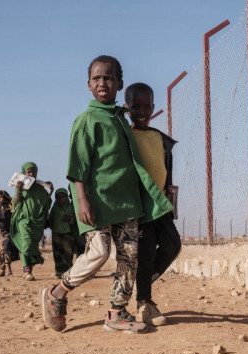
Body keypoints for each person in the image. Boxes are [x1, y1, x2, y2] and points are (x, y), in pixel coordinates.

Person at [40, 55, 173, 334]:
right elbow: (78, 165)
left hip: (126, 203)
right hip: (97, 202)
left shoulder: (121, 120)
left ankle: (116, 312)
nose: (103, 82)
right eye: (97, 78)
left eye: (109, 78)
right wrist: (82, 198)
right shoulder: (88, 119)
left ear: (119, 83)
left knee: (129, 257)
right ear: (89, 84)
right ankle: (57, 292)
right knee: (98, 252)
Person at [125, 82, 181, 326]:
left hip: (160, 204)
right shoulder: (125, 137)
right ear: (126, 108)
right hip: (141, 206)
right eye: (136, 106)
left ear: (154, 108)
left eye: (147, 106)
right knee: (146, 251)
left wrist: (171, 201)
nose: (142, 111)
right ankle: (145, 302)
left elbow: (166, 172)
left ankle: (142, 280)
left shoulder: (159, 138)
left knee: (172, 245)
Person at [11, 162, 53, 281]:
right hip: (24, 220)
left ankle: (29, 271)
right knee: (26, 242)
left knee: (32, 245)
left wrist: (51, 191)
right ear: (24, 173)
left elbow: (46, 204)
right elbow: (16, 203)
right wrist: (19, 190)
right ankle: (26, 269)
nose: (31, 174)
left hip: (37, 223)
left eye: (33, 171)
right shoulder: (20, 187)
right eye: (28, 172)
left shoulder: (40, 187)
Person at [47, 188, 82, 278]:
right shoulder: (54, 208)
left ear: (66, 197)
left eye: (62, 197)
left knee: (68, 253)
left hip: (68, 233)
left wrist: (70, 219)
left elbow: (76, 218)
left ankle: (68, 271)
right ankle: (59, 272)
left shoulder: (70, 207)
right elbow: (50, 219)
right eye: (58, 197)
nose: (60, 199)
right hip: (56, 234)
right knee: (57, 253)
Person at [0, 190, 18, 277]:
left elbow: (15, 216)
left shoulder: (10, 206)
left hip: (8, 230)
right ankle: (3, 270)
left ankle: (8, 268)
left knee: (6, 248)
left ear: (4, 197)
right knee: (0, 251)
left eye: (0, 197)